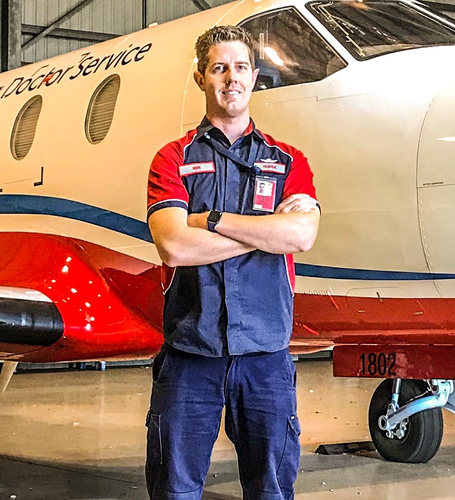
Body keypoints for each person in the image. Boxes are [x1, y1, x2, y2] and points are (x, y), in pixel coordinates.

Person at [143, 25, 321, 500]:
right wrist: (266, 233)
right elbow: (175, 246)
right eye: (219, 68)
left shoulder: (288, 161)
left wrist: (213, 221)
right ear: (200, 77)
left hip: (266, 359)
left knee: (271, 491)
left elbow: (301, 235)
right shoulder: (173, 159)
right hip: (190, 356)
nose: (231, 78)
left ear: (254, 77)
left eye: (241, 67)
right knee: (174, 490)